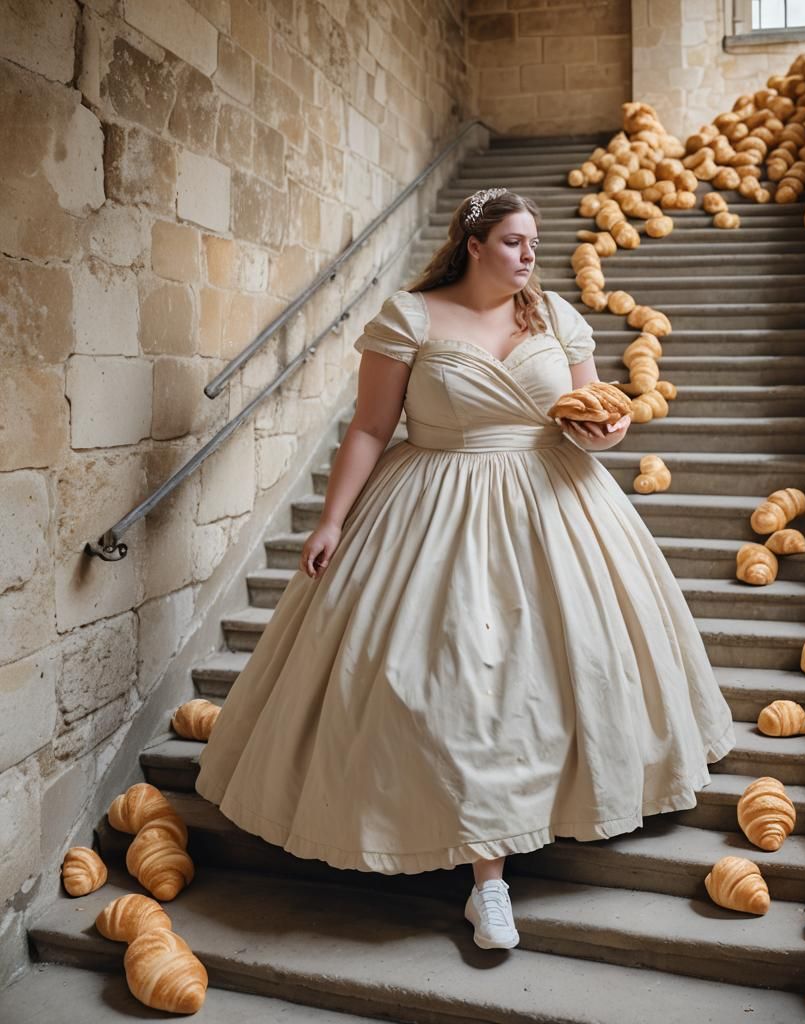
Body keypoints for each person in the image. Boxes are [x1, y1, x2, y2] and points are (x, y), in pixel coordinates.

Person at [194, 186, 737, 952]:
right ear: (473, 244)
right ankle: (487, 881)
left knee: (557, 672)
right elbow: (371, 428)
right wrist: (332, 520)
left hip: (559, 508)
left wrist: (609, 429)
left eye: (533, 244)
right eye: (514, 242)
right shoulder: (411, 318)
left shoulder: (556, 318)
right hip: (435, 505)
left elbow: (587, 419)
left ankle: (525, 847)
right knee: (463, 681)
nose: (529, 256)